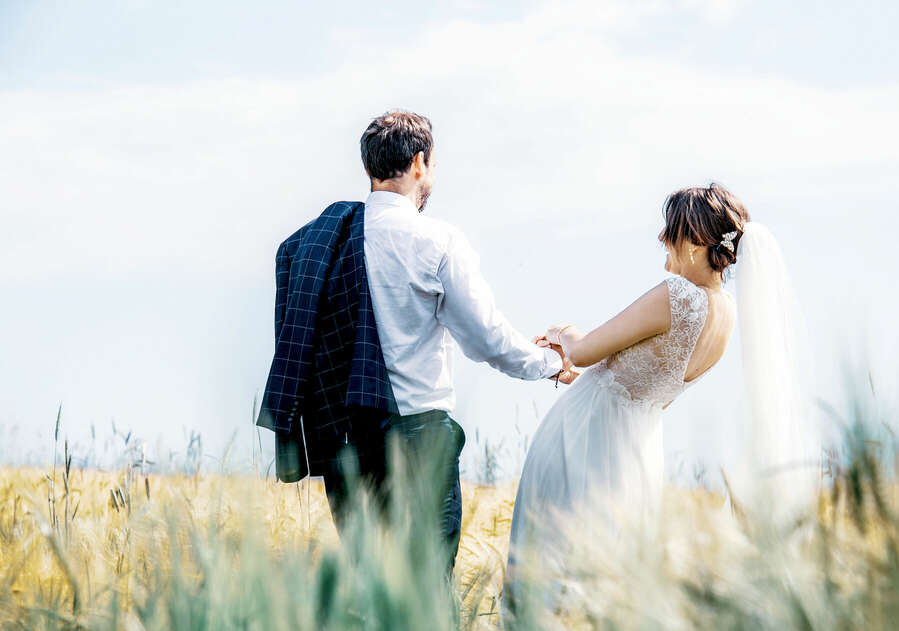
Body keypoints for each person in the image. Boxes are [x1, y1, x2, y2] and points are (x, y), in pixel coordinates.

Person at [256, 110, 573, 574]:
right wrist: (549, 363)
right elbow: (487, 337)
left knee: (371, 592)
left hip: (344, 443)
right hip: (418, 438)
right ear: (421, 162)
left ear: (369, 168)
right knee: (425, 594)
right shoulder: (435, 239)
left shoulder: (311, 243)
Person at [503, 183, 813, 618]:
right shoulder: (725, 314)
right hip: (637, 452)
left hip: (583, 442)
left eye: (671, 230)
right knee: (607, 588)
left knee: (547, 573)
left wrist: (560, 332)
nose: (663, 240)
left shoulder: (678, 296)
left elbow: (585, 350)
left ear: (694, 240)